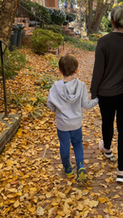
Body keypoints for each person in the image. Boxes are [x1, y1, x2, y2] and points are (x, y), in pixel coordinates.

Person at [90, 5, 123, 183]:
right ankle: (122, 171)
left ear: (112, 21)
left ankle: (107, 149)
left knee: (107, 122)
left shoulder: (104, 42)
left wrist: (93, 91)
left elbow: (98, 70)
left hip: (106, 94)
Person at [47, 54, 98, 182]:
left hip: (62, 124)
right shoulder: (81, 86)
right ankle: (80, 165)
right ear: (76, 70)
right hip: (76, 123)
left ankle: (67, 168)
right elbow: (86, 104)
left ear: (60, 71)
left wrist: (57, 110)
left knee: (64, 146)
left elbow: (50, 103)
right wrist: (97, 100)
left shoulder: (55, 87)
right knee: (77, 143)